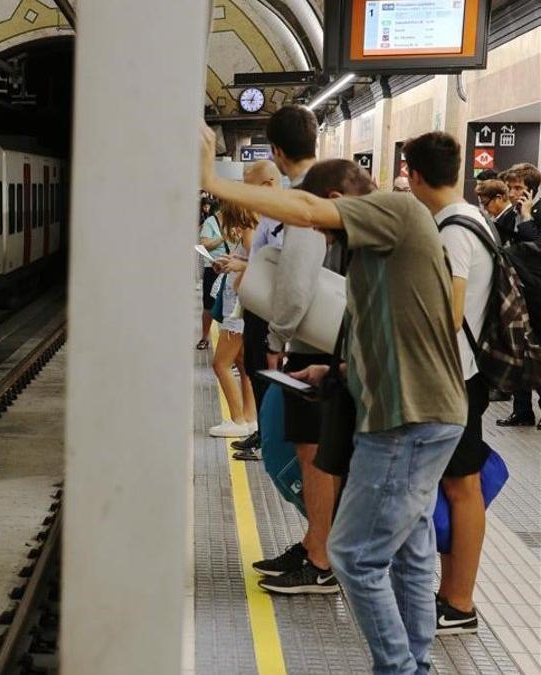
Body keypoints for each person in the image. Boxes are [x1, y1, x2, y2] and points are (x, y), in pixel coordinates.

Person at [201, 134, 467, 675]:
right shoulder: (381, 252)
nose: (323, 235)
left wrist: (209, 180)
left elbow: (304, 205)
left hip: (407, 418)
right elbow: (387, 326)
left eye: (326, 224)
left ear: (345, 198)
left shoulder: (394, 210)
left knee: (353, 554)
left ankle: (398, 669)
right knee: (410, 549)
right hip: (420, 411)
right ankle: (415, 662)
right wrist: (337, 367)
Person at [249, 105, 341, 595]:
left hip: (313, 344)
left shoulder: (305, 203)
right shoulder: (333, 190)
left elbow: (296, 284)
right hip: (329, 341)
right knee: (318, 453)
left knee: (314, 456)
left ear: (277, 153)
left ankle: (322, 559)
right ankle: (315, 543)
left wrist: (275, 336)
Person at [404, 131, 493, 635]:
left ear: (415, 176)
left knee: (462, 487)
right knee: (462, 485)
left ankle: (458, 601)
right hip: (464, 375)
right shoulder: (472, 218)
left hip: (453, 378)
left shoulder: (453, 230)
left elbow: (449, 310)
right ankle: (452, 595)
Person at [232, 159, 283, 460]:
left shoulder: (281, 218)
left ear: (266, 185)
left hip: (268, 314)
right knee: (254, 370)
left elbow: (280, 267)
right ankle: (263, 433)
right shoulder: (266, 217)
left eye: (247, 185)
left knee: (266, 375)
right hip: (255, 309)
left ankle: (269, 441)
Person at [493, 164, 541, 429]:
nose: (512, 193)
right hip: (515, 293)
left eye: (518, 188)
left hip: (536, 294)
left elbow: (537, 248)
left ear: (530, 191)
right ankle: (522, 410)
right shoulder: (509, 215)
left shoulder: (532, 213)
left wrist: (527, 218)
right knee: (520, 351)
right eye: (510, 188)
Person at [207, 200, 259, 438]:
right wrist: (228, 264)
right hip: (241, 307)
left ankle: (238, 419)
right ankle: (249, 418)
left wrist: (237, 264)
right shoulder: (251, 231)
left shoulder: (248, 232)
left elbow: (257, 265)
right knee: (242, 364)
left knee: (220, 364)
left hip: (238, 310)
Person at [198, 198, 226, 350]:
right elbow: (204, 244)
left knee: (227, 308)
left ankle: (226, 343)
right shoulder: (210, 222)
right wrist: (223, 237)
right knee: (209, 305)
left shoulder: (237, 221)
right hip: (213, 267)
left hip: (230, 269)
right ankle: (204, 337)